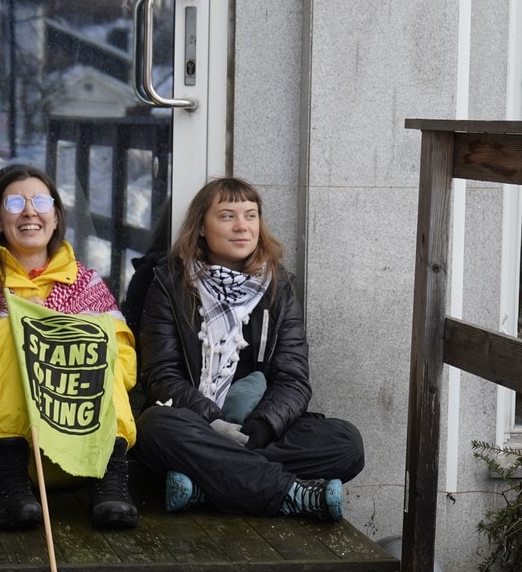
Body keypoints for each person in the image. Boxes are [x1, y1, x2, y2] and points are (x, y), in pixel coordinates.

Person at [133, 177, 365, 521]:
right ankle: (292, 494)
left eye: (251, 215)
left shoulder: (279, 286)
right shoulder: (170, 284)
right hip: (194, 425)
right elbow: (160, 375)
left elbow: (293, 379)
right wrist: (214, 423)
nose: (243, 226)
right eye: (227, 216)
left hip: (257, 430)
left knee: (346, 443)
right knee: (156, 427)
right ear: (201, 228)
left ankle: (202, 487)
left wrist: (261, 428)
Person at [0, 164, 138, 530]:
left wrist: (64, 333)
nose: (29, 211)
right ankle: (8, 483)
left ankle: (112, 475)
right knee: (6, 330)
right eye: (15, 203)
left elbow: (124, 369)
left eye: (41, 201)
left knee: (98, 332)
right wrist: (21, 328)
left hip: (78, 456)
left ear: (56, 217)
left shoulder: (88, 285)